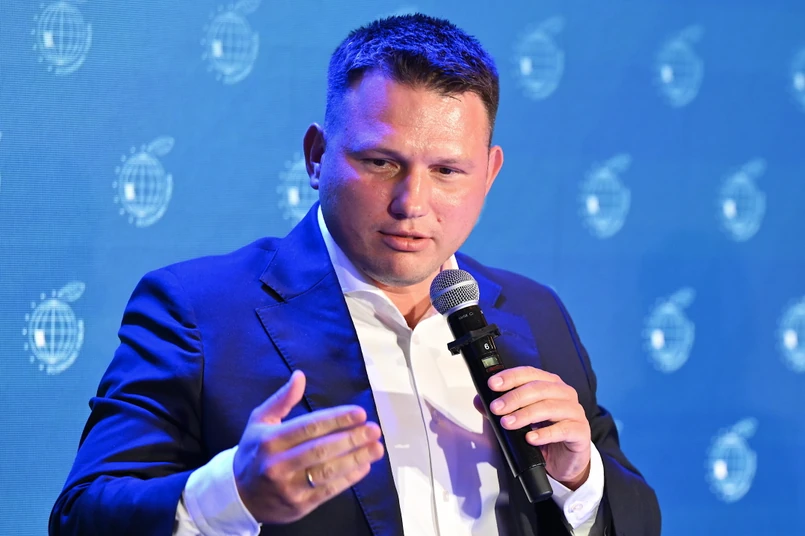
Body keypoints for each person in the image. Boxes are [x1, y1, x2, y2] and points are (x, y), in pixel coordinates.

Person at [50, 14, 660, 536]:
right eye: (381, 162)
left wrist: (579, 480)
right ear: (317, 156)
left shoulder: (535, 312)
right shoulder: (197, 310)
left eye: (448, 171)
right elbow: (82, 516)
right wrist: (233, 494)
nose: (412, 203)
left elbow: (634, 518)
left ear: (489, 174)